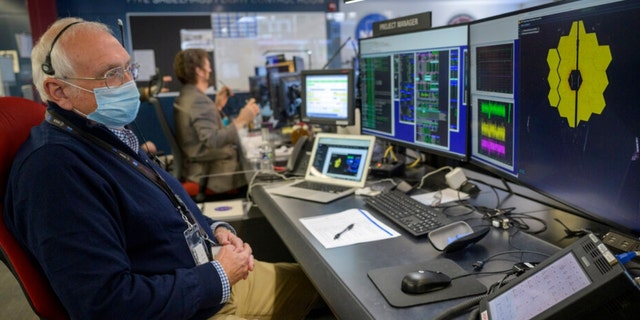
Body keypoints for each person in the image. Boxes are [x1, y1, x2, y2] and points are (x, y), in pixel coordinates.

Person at [3, 17, 319, 319]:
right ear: (59, 91)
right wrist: (217, 275)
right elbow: (106, 304)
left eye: (129, 68)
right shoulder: (55, 171)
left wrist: (215, 230)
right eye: (113, 73)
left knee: (329, 290)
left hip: (204, 283)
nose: (129, 83)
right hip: (189, 306)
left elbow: (170, 205)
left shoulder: (104, 134)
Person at [173, 49, 260, 194]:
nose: (210, 70)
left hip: (198, 169)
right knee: (260, 181)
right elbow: (212, 140)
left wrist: (217, 106)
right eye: (207, 66)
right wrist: (241, 120)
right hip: (213, 176)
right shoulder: (199, 101)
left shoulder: (187, 96)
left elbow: (197, 129)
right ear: (199, 71)